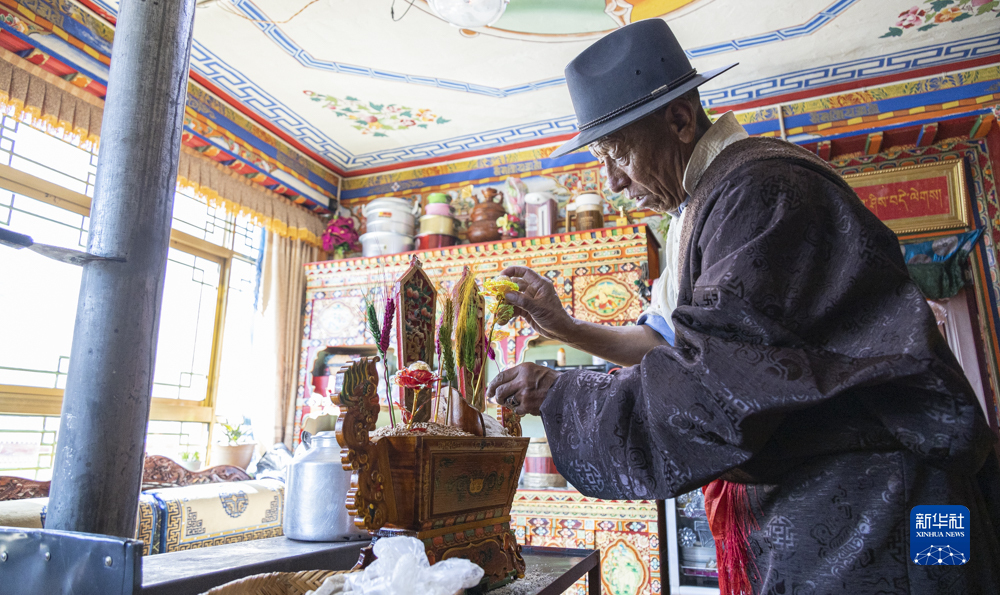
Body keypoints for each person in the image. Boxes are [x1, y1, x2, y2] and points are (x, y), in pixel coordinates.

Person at [486, 19, 1000, 595]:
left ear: (679, 120)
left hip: (889, 496)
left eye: (617, 154)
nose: (612, 182)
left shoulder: (759, 192)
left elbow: (717, 376)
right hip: (869, 488)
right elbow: (668, 343)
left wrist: (562, 394)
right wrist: (564, 327)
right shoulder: (699, 206)